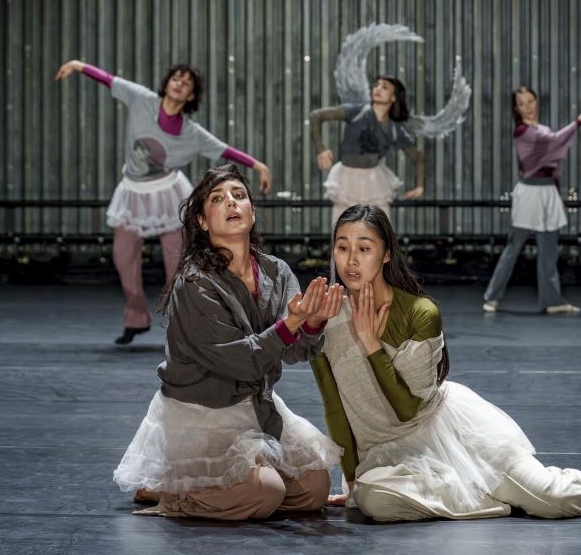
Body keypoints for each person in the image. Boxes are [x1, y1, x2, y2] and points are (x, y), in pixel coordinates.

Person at [310, 204, 581, 521]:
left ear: (386, 254)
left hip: (450, 434)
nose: (351, 260)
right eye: (342, 247)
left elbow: (407, 410)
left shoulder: (420, 312)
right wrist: (353, 481)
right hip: (389, 457)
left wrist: (371, 343)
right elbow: (335, 409)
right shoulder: (326, 319)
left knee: (552, 500)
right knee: (373, 501)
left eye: (364, 248)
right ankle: (493, 500)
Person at [113, 164, 344, 520]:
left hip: (257, 405)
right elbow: (239, 360)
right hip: (206, 411)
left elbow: (296, 349)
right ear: (203, 221)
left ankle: (225, 488)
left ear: (253, 211)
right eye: (218, 199)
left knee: (314, 489)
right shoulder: (195, 282)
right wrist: (291, 323)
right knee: (265, 493)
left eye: (239, 196)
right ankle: (177, 493)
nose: (232, 203)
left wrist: (311, 323)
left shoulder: (276, 271)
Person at [55, 60, 273, 343]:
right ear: (167, 83)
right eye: (176, 78)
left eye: (186, 83)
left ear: (191, 96)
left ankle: (181, 321)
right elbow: (109, 79)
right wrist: (78, 65)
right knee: (123, 257)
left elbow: (224, 149)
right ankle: (136, 317)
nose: (179, 83)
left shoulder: (191, 133)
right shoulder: (142, 99)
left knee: (177, 261)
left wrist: (258, 166)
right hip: (132, 192)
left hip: (168, 193)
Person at [483, 86, 581, 315]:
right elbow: (555, 142)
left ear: (536, 102)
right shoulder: (522, 133)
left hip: (548, 192)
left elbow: (555, 163)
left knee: (548, 249)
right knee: (514, 247)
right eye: (522, 103)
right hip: (529, 192)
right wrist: (579, 121)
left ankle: (552, 300)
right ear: (516, 108)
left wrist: (556, 195)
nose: (528, 107)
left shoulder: (543, 129)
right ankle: (492, 296)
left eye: (531, 101)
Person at [309, 76, 424, 224]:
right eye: (376, 85)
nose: (378, 89)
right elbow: (316, 116)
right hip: (345, 179)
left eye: (385, 87)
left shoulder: (395, 127)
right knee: (343, 233)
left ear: (394, 97)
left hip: (374, 182)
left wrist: (419, 186)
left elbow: (417, 156)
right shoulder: (356, 111)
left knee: (378, 233)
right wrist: (320, 149)